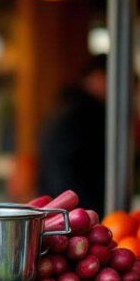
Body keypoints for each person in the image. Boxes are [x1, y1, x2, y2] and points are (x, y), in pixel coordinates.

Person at [38, 54, 107, 213]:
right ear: (97, 76)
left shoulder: (66, 104)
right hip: (77, 205)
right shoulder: (88, 111)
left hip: (58, 201)